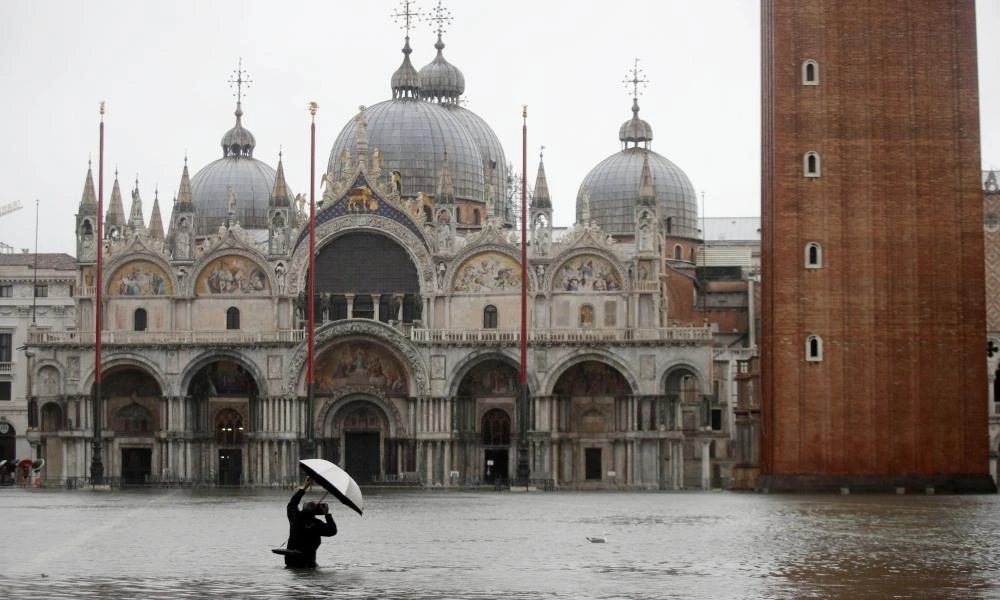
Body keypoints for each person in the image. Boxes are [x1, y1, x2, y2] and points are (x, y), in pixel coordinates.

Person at [284, 476, 337, 568]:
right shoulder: (299, 518)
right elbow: (292, 504)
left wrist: (327, 515)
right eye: (310, 502)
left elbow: (332, 531)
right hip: (301, 561)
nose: (312, 501)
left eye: (312, 504)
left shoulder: (299, 518)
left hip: (303, 561)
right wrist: (304, 488)